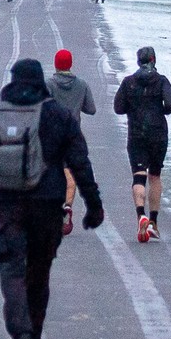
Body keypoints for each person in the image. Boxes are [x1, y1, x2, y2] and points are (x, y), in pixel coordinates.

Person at [0, 58, 104, 339]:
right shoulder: (57, 115)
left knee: (11, 270)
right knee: (39, 274)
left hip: (8, 207)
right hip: (47, 206)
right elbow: (80, 163)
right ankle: (35, 337)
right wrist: (93, 205)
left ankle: (21, 333)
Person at [113, 45, 171, 244]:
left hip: (136, 134)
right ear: (154, 60)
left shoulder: (129, 82)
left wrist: (134, 108)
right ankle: (154, 223)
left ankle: (141, 215)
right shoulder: (161, 80)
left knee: (139, 177)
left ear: (138, 61)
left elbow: (118, 107)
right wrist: (160, 112)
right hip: (158, 134)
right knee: (155, 176)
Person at [46, 48, 96, 236]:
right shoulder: (81, 85)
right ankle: (67, 206)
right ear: (70, 64)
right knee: (70, 174)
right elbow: (91, 109)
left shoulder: (48, 85)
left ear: (56, 64)